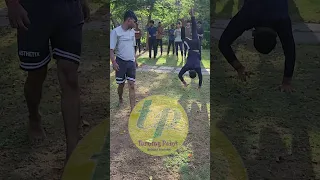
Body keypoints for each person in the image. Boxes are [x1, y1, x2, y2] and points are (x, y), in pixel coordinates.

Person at [6, 0, 90, 162]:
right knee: (36, 75)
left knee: (70, 76)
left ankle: (72, 151)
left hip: (69, 10)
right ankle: (34, 117)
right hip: (33, 11)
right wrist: (12, 4)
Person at [218, 0, 296, 93]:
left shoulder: (280, 19)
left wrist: (287, 82)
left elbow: (290, 51)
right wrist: (286, 82)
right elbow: (223, 43)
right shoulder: (249, 16)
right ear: (254, 34)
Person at [110, 10, 138, 112]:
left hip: (131, 62)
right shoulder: (116, 32)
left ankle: (133, 109)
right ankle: (120, 97)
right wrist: (114, 62)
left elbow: (133, 46)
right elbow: (111, 50)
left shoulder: (132, 32)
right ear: (128, 20)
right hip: (120, 62)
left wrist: (135, 59)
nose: (135, 24)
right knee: (121, 84)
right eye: (134, 22)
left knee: (131, 85)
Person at [178, 8, 202, 90]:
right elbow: (179, 75)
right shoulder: (187, 67)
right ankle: (183, 24)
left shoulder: (198, 68)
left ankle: (192, 15)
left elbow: (201, 77)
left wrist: (199, 86)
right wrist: (184, 82)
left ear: (195, 72)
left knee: (194, 30)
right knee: (183, 38)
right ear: (189, 72)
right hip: (191, 47)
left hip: (196, 45)